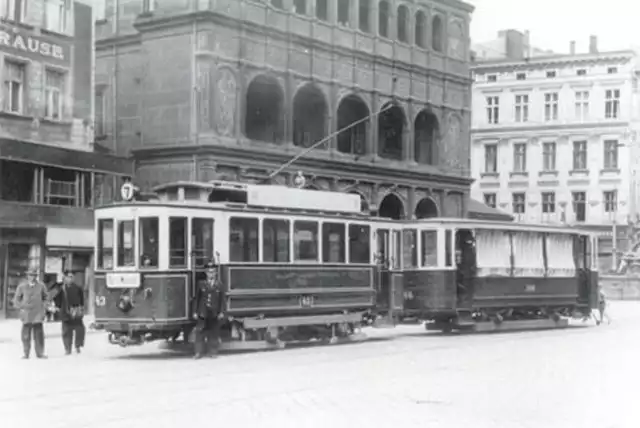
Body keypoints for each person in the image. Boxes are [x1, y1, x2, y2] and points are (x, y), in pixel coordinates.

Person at [12, 266, 49, 359]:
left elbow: (46, 298)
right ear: (27, 276)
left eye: (34, 275)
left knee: (39, 335)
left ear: (36, 276)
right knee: (25, 335)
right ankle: (26, 353)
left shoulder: (41, 286)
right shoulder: (22, 286)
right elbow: (16, 300)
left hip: (37, 314)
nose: (32, 277)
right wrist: (21, 308)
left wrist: (43, 307)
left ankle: (40, 353)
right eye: (30, 275)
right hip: (27, 314)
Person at [192, 260, 224, 359]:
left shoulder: (219, 285)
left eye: (213, 272)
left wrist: (222, 312)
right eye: (209, 272)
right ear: (206, 273)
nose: (211, 274)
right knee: (200, 333)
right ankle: (198, 353)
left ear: (216, 273)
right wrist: (195, 311)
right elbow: (197, 298)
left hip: (214, 312)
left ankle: (213, 352)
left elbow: (222, 300)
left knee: (213, 333)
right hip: (203, 311)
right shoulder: (201, 284)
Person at [52, 271, 86, 355]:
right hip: (65, 312)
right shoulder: (60, 288)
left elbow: (81, 301)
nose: (70, 279)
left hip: (76, 313)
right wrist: (56, 307)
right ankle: (67, 348)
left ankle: (77, 346)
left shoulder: (78, 288)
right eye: (68, 277)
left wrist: (81, 309)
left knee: (80, 330)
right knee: (66, 331)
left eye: (72, 277)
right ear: (64, 278)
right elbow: (54, 297)